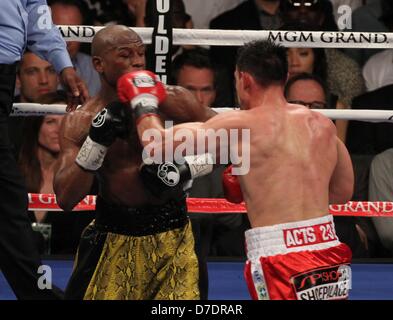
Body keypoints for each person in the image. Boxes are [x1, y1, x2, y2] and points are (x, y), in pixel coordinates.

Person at [122, 40, 354, 300]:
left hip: (281, 255)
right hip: (329, 248)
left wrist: (142, 100)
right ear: (285, 77)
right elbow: (343, 192)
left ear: (243, 79)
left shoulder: (241, 125)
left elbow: (155, 145)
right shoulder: (322, 124)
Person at [53, 25, 216, 300]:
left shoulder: (174, 101)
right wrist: (97, 142)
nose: (138, 61)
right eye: (125, 55)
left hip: (175, 236)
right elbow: (66, 197)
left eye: (141, 53)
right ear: (99, 64)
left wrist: (186, 169)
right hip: (114, 235)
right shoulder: (80, 121)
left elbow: (238, 144)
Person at [0, 0, 87, 300]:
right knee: (8, 199)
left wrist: (62, 62)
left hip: (4, 73)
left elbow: (35, 8)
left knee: (7, 201)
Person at [18, 91, 95, 255]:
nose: (59, 129)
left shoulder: (87, 179)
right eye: (51, 121)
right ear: (36, 126)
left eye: (66, 121)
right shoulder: (13, 174)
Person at [49, 0, 101, 96]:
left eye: (75, 33)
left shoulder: (95, 68)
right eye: (61, 32)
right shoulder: (25, 66)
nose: (67, 42)